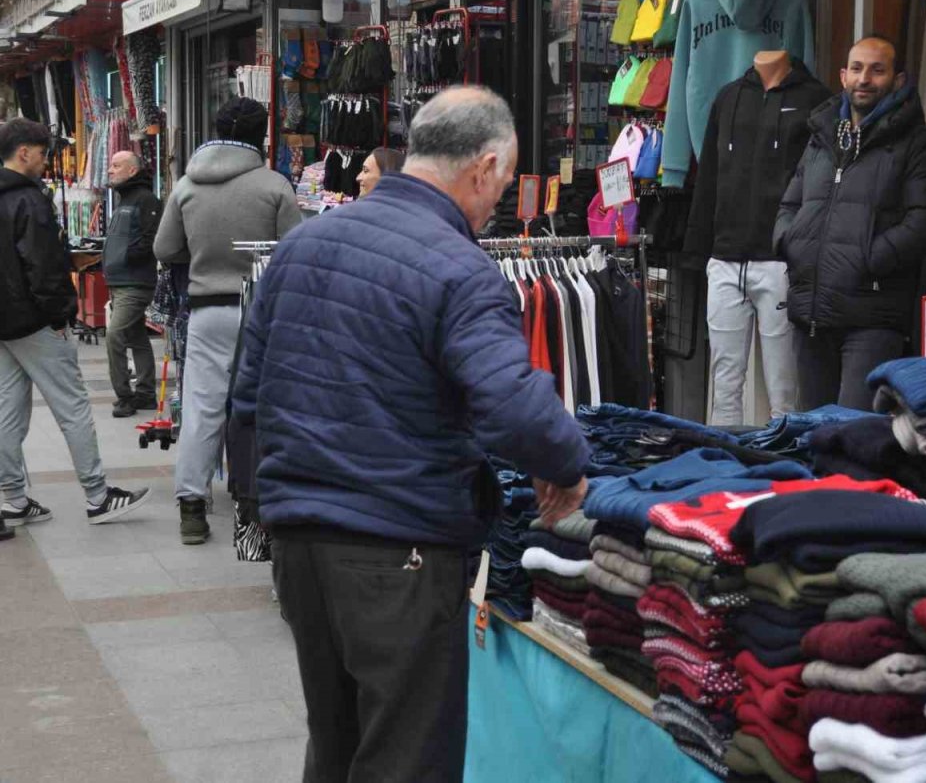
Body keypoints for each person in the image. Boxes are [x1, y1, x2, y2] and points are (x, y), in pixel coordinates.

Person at [231, 85, 590, 783]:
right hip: (399, 547)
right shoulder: (460, 269)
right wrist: (567, 465)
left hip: (302, 543)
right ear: (483, 169)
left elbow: (247, 398)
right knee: (405, 757)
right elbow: (513, 403)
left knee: (336, 747)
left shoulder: (302, 247)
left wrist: (267, 503)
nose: (497, 202)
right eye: (504, 183)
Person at [154, 98, 302, 546]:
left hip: (206, 309)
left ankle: (192, 507)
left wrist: (200, 256)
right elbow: (294, 250)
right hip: (262, 311)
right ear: (261, 136)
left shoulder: (186, 186)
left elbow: (164, 249)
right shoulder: (274, 185)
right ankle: (261, 500)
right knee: (265, 408)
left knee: (202, 406)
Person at [774, 36, 926, 410]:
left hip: (871, 317)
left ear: (899, 80)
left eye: (877, 69)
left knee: (855, 438)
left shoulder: (917, 142)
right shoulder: (822, 137)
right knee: (812, 436)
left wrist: (870, 259)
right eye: (856, 69)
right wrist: (790, 244)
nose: (864, 79)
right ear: (842, 76)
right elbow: (790, 202)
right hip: (812, 314)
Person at [0, 118, 151, 528]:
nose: (47, 161)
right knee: (73, 406)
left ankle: (12, 497)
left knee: (8, 409)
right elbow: (44, 266)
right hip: (34, 320)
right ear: (24, 152)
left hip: (5, 322)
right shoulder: (29, 201)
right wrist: (60, 315)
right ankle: (98, 495)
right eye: (44, 153)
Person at [104, 151, 161, 418]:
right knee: (136, 337)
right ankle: (147, 393)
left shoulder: (146, 199)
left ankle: (125, 396)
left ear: (132, 171)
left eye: (116, 166)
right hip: (120, 281)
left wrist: (126, 257)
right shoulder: (124, 199)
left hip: (134, 283)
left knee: (115, 335)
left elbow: (151, 239)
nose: (110, 170)